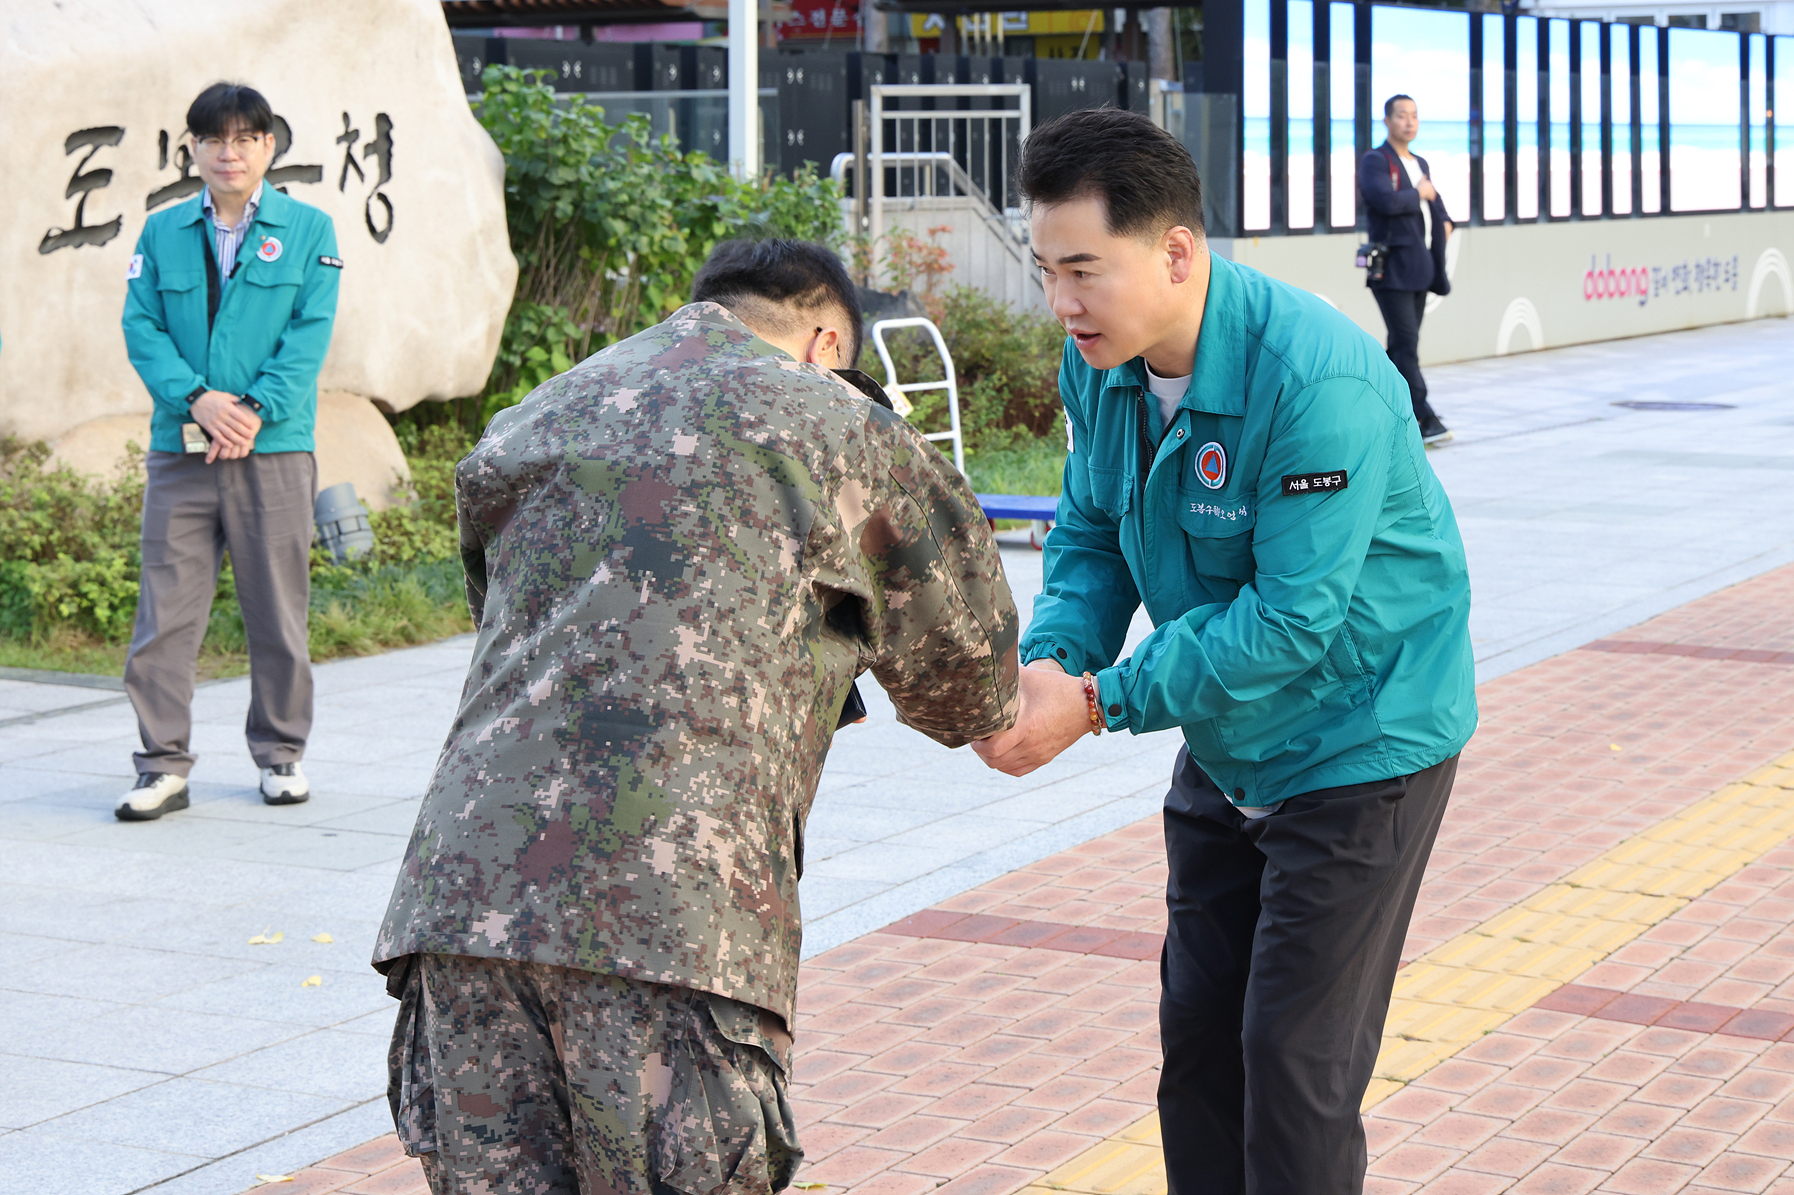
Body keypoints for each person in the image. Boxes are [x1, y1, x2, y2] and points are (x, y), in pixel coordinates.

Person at [372, 238, 1020, 1194]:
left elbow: (501, 615)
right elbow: (969, 684)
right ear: (825, 338)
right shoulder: (837, 424)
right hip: (672, 930)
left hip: (460, 910)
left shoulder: (536, 415)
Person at [971, 108, 1476, 1195]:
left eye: (1082, 271)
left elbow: (1293, 620)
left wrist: (1101, 702)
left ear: (1175, 251)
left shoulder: (1314, 378)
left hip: (1359, 737)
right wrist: (1055, 661)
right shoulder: (1098, 368)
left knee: (1291, 1065)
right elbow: (1093, 530)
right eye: (1044, 270)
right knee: (1197, 1042)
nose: (1060, 304)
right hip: (1230, 729)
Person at [114, 81, 341, 822]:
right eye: (214, 139)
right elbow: (141, 326)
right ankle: (161, 766)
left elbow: (308, 335)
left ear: (269, 146)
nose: (229, 152)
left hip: (271, 450)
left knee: (277, 611)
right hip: (179, 452)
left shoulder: (309, 230)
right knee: (164, 617)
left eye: (245, 138)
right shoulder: (161, 231)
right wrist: (199, 401)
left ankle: (281, 755)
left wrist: (248, 410)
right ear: (193, 149)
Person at [1360, 93, 1454, 447]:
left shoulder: (1420, 162)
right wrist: (1419, 194)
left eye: (1414, 116)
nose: (1409, 122)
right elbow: (1384, 200)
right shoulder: (1375, 160)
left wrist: (1447, 224)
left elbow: (1437, 204)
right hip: (1393, 269)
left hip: (1420, 269)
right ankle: (1423, 416)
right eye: (1402, 115)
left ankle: (1381, 407)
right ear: (1387, 120)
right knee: (1406, 345)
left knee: (1402, 347)